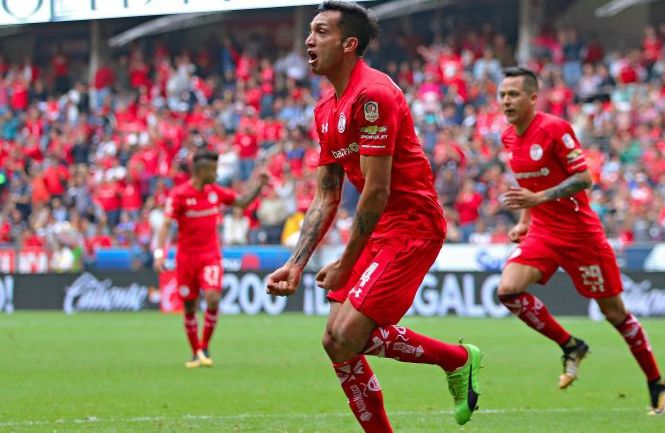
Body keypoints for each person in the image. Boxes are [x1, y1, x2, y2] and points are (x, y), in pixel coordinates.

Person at [265, 2, 482, 431]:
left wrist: (346, 261)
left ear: (349, 44)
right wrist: (296, 262)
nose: (308, 40)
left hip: (413, 225)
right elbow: (327, 196)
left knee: (348, 335)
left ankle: (458, 360)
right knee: (335, 342)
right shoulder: (326, 109)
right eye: (309, 30)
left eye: (320, 31)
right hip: (381, 226)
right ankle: (456, 361)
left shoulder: (373, 95)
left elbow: (378, 190)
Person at [496, 67, 665, 415]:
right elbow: (527, 188)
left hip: (580, 236)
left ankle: (657, 382)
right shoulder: (508, 138)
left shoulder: (554, 129)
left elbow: (584, 177)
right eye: (502, 95)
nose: (506, 101)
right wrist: (524, 220)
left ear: (533, 98)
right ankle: (571, 345)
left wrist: (537, 200)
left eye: (513, 94)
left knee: (614, 313)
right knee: (508, 290)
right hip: (544, 233)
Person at [154, 148, 269, 368]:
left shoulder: (215, 191)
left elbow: (243, 202)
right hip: (186, 260)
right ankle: (195, 351)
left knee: (213, 298)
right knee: (189, 307)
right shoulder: (179, 194)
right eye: (214, 170)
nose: (217, 173)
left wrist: (259, 184)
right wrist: (160, 253)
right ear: (203, 170)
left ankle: (204, 346)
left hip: (210, 257)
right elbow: (166, 224)